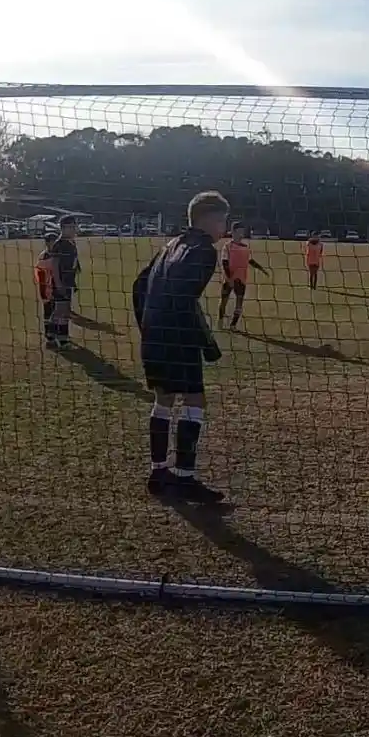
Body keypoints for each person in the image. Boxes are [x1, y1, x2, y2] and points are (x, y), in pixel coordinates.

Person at [131, 190, 230, 505]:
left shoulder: (169, 245)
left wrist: (146, 327)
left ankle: (159, 472)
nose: (224, 227)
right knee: (195, 401)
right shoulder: (203, 251)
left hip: (155, 334)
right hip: (177, 336)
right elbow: (185, 300)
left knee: (163, 399)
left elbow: (139, 285)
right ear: (208, 218)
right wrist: (206, 344)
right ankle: (185, 478)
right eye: (222, 220)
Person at [217, 221, 267, 330]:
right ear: (234, 232)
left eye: (243, 231)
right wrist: (229, 278)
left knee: (239, 302)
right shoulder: (227, 246)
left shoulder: (245, 247)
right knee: (224, 301)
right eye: (240, 231)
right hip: (229, 278)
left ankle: (233, 325)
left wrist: (261, 269)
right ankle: (220, 320)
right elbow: (225, 262)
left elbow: (250, 260)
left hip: (241, 279)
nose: (242, 233)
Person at [47, 216, 80, 349]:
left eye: (74, 226)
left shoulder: (71, 243)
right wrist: (58, 283)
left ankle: (52, 336)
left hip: (68, 281)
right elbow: (54, 265)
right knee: (62, 310)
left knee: (62, 310)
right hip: (60, 282)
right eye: (71, 227)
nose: (74, 229)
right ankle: (61, 339)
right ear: (63, 228)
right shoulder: (59, 244)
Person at [34, 233, 59, 347]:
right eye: (53, 241)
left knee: (58, 312)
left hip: (58, 288)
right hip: (47, 289)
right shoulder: (44, 256)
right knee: (49, 313)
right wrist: (44, 292)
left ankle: (57, 334)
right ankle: (49, 337)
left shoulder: (58, 254)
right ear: (48, 243)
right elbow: (40, 276)